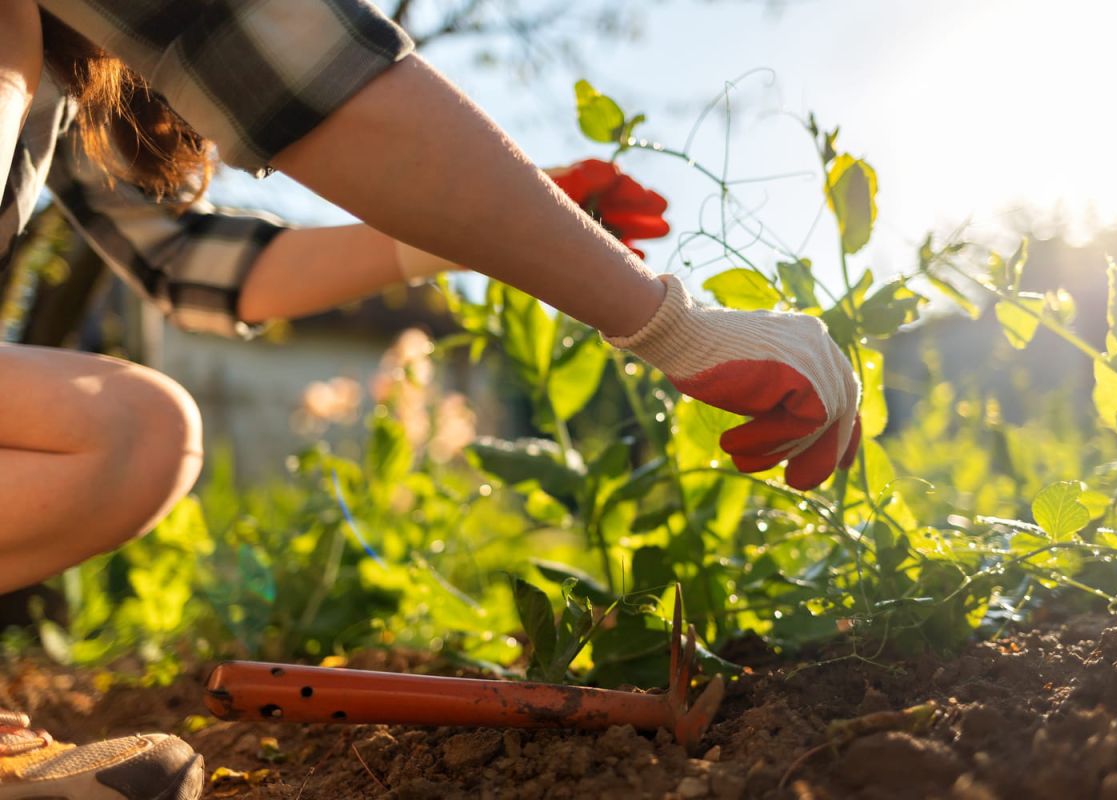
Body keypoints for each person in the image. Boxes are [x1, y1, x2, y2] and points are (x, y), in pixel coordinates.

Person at [0, 1, 861, 797]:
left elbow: (192, 262)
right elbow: (284, 62)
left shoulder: (62, 66)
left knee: (135, 434)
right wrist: (675, 325)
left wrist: (494, 218)